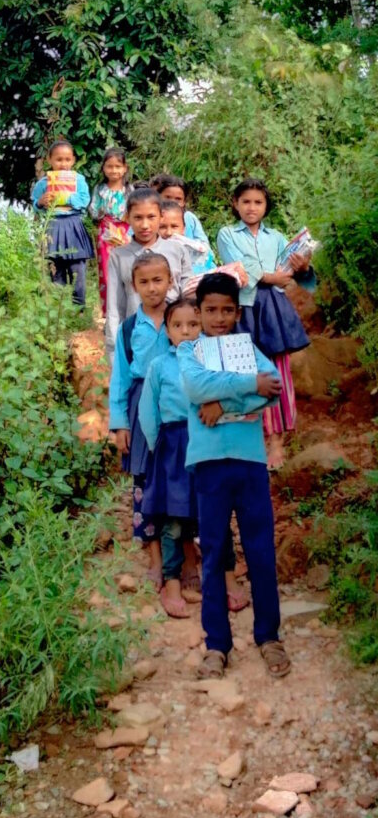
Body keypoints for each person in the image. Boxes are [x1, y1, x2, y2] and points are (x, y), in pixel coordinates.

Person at [178, 272, 291, 680]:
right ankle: (217, 645)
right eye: (211, 310)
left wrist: (221, 407)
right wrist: (246, 387)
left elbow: (272, 388)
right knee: (214, 554)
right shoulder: (189, 351)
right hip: (209, 465)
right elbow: (195, 387)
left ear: (237, 312)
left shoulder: (249, 348)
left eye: (228, 310)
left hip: (249, 462)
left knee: (261, 550)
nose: (220, 317)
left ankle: (269, 636)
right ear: (199, 311)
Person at [140, 296, 250, 616]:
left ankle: (227, 581)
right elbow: (149, 410)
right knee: (173, 520)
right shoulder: (159, 365)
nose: (186, 330)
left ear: (201, 325)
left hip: (209, 442)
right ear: (168, 332)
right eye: (178, 325)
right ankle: (172, 584)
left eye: (192, 324)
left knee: (214, 514)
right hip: (173, 447)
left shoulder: (212, 360)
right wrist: (154, 448)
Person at [216, 178, 314, 470]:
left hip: (273, 308)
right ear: (235, 203)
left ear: (266, 206)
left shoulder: (277, 237)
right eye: (245, 201)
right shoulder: (227, 233)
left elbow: (297, 273)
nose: (251, 207)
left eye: (258, 202)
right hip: (244, 308)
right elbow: (241, 266)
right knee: (244, 369)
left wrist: (302, 266)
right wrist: (272, 277)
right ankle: (248, 439)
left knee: (277, 370)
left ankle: (276, 443)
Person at [109, 252, 172, 588]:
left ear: (170, 281)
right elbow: (119, 377)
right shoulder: (130, 328)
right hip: (138, 406)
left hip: (177, 409)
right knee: (146, 482)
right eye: (144, 282)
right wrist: (120, 423)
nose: (151, 288)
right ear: (134, 286)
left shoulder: (182, 317)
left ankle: (184, 553)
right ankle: (156, 558)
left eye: (158, 280)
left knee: (180, 477)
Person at [104, 188, 193, 358]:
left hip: (174, 341)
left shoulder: (178, 251)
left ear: (161, 217)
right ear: (127, 218)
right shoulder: (119, 256)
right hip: (138, 342)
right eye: (138, 217)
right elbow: (115, 307)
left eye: (151, 217)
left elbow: (187, 296)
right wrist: (114, 351)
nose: (144, 225)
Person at [32, 140, 94, 306]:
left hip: (74, 225)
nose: (63, 164)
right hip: (53, 226)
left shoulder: (79, 180)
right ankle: (60, 310)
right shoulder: (43, 183)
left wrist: (65, 197)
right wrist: (40, 202)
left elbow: (84, 200)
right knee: (55, 269)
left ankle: (79, 309)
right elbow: (35, 205)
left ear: (73, 160)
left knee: (77, 270)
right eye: (58, 160)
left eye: (67, 159)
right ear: (50, 160)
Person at [90, 146, 131, 319]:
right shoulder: (100, 190)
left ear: (125, 168)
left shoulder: (130, 190)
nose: (114, 170)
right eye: (110, 166)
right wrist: (102, 215)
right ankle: (109, 312)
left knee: (127, 268)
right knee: (107, 270)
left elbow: (135, 209)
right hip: (105, 232)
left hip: (126, 230)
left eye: (118, 166)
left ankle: (129, 309)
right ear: (104, 168)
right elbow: (93, 209)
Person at [159, 199, 216, 275]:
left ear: (184, 229)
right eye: (162, 227)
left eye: (174, 226)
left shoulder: (195, 250)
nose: (169, 232)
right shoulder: (150, 252)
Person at [151, 173, 209, 243]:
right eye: (167, 197)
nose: (173, 202)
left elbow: (205, 246)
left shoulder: (189, 218)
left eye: (178, 199)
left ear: (184, 202)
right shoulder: (151, 217)